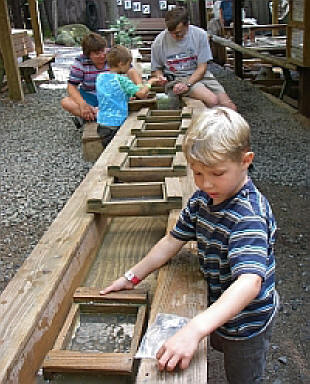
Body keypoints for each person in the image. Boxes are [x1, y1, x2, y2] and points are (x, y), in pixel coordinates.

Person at [101, 107, 279, 383]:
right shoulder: (202, 199)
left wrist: (194, 330)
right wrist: (132, 276)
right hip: (218, 299)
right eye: (197, 173)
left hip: (248, 321)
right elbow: (172, 240)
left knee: (243, 374)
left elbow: (249, 282)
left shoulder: (248, 216)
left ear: (246, 161)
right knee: (216, 340)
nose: (207, 183)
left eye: (217, 173)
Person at [151, 7, 236, 110]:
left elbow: (202, 67)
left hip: (201, 75)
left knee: (230, 107)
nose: (175, 36)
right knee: (213, 101)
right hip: (177, 78)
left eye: (178, 33)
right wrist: (160, 77)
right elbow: (156, 68)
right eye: (171, 33)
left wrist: (188, 83)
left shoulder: (200, 35)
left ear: (187, 25)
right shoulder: (159, 42)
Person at [61, 33, 142, 127]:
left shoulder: (112, 55)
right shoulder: (80, 63)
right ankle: (97, 114)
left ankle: (93, 115)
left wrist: (139, 86)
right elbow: (72, 86)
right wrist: (82, 104)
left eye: (103, 51)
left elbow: (130, 70)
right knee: (66, 102)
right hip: (90, 95)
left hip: (111, 95)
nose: (102, 55)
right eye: (97, 54)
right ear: (88, 54)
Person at [96, 45, 159, 147]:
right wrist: (150, 82)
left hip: (102, 122)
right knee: (116, 148)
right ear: (121, 64)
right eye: (129, 64)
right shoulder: (122, 80)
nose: (129, 67)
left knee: (107, 147)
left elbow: (110, 94)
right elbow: (142, 93)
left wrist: (125, 97)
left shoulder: (100, 77)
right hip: (117, 123)